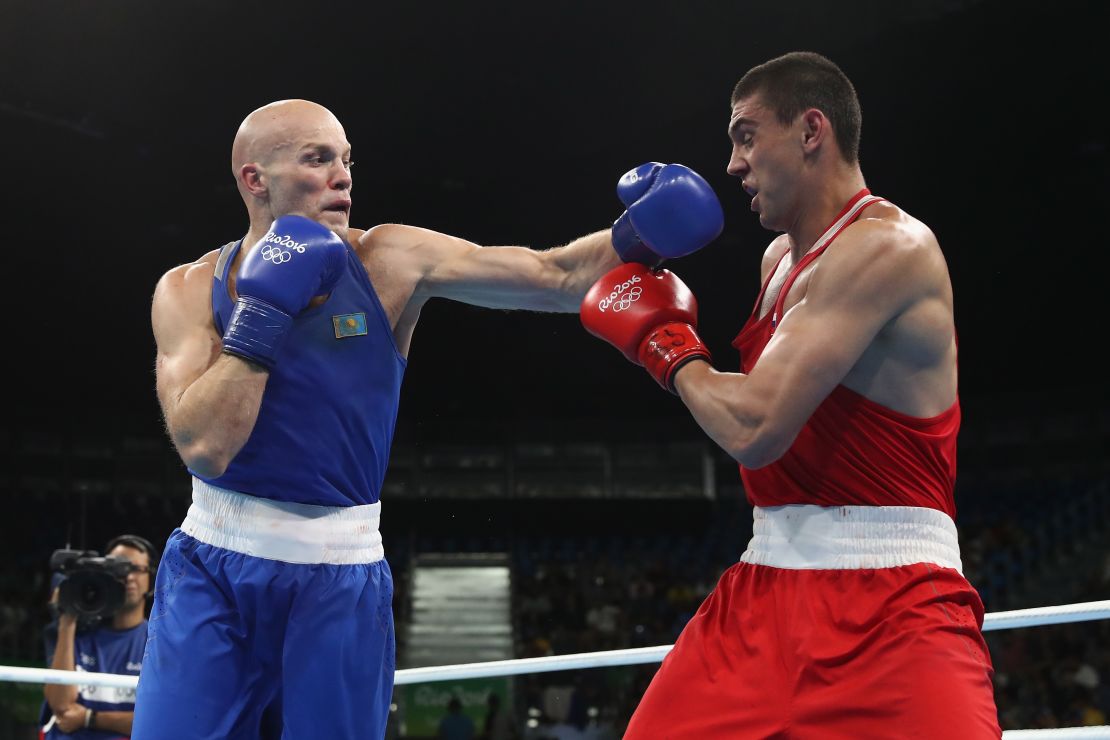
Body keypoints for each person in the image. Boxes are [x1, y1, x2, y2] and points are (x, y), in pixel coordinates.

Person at [136, 98, 724, 740]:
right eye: (318, 158)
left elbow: (552, 275)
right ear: (255, 180)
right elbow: (206, 447)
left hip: (338, 577)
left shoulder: (387, 260)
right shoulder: (188, 289)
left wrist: (637, 236)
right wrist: (262, 316)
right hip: (212, 571)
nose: (343, 176)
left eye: (347, 160)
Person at [581, 51, 1002, 737]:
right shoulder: (778, 261)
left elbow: (755, 426)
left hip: (895, 604)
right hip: (765, 586)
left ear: (812, 131)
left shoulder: (889, 248)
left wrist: (665, 344)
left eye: (745, 135)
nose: (732, 164)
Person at [41, 535, 157, 739]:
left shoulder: (157, 643)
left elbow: (157, 719)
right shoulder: (76, 633)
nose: (128, 576)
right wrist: (67, 619)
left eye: (136, 569)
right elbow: (60, 706)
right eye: (119, 568)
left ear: (151, 581)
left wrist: (90, 718)